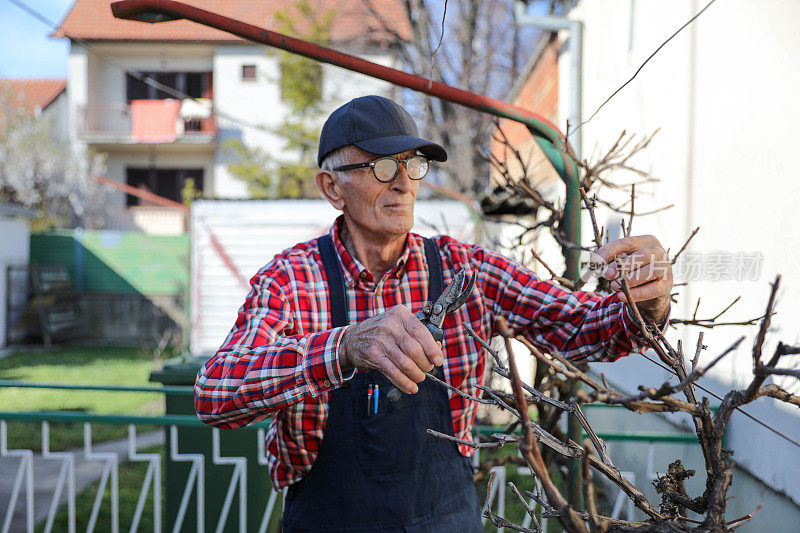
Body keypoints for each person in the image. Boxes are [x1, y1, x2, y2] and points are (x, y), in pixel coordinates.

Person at [194, 95, 672, 531]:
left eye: (413, 164)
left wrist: (644, 302)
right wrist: (342, 348)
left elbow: (585, 327)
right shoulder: (292, 281)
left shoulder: (466, 269)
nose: (403, 183)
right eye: (381, 166)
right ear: (332, 187)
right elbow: (216, 395)